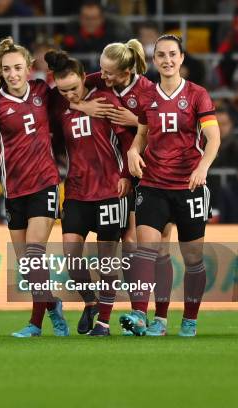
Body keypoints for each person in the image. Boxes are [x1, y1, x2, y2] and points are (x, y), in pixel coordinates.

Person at [73, 39, 175, 336]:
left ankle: (161, 317)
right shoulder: (100, 82)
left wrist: (138, 121)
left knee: (158, 250)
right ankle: (135, 315)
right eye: (101, 70)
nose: (102, 77)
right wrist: (82, 104)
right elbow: (65, 90)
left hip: (153, 175)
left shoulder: (148, 92)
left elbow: (169, 131)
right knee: (131, 245)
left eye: (109, 73)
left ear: (128, 70)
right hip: (118, 177)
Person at [124, 35, 221, 337]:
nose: (167, 60)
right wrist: (132, 151)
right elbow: (142, 134)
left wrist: (203, 166)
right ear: (154, 61)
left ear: (181, 59)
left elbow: (214, 137)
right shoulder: (146, 97)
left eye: (172, 55)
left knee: (192, 259)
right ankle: (143, 316)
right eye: (161, 55)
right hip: (153, 184)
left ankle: (189, 319)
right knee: (146, 251)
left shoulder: (197, 95)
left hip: (188, 186)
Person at [45, 49, 132, 337]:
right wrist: (81, 106)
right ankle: (90, 302)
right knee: (71, 258)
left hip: (109, 189)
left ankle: (103, 323)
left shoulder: (106, 99)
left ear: (84, 78)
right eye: (63, 90)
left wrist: (126, 175)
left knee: (108, 259)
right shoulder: (59, 107)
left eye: (74, 88)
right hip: (77, 191)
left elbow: (126, 139)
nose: (69, 94)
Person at [0, 37, 69, 338]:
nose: (13, 74)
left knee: (35, 253)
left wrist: (60, 63)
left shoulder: (42, 93)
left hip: (45, 183)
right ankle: (52, 304)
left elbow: (73, 86)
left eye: (18, 68)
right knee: (27, 266)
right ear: (1, 70)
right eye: (7, 69)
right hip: (14, 190)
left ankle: (37, 324)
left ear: (29, 68)